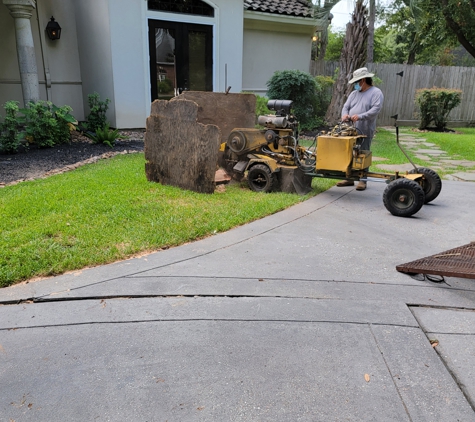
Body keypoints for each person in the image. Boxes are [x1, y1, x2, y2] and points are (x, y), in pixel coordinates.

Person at [337, 67, 384, 191]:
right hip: (350, 130)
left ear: (363, 80)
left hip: (365, 129)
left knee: (363, 153)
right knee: (349, 153)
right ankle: (349, 178)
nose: (355, 85)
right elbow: (345, 107)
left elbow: (375, 109)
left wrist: (361, 116)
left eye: (357, 82)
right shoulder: (354, 94)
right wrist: (344, 115)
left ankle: (363, 180)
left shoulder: (376, 92)